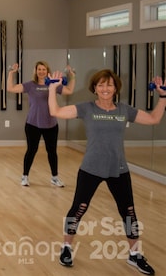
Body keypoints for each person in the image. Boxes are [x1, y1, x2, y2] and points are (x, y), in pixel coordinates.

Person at [48, 70, 165, 274]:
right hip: (91, 168)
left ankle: (134, 255)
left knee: (129, 212)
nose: (105, 89)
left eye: (109, 85)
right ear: (95, 88)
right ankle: (66, 247)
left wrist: (163, 97)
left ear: (116, 88)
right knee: (78, 209)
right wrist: (51, 88)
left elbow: (154, 118)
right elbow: (55, 111)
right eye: (101, 85)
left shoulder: (124, 110)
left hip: (118, 168)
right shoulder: (86, 108)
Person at [7, 61, 75, 187]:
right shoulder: (30, 85)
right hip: (33, 124)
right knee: (31, 151)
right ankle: (25, 176)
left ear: (47, 71)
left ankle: (55, 178)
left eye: (44, 69)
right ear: (36, 71)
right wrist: (11, 73)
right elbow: (10, 88)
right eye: (39, 69)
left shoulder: (54, 84)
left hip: (51, 124)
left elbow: (69, 90)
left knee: (52, 152)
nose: (41, 71)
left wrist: (72, 76)